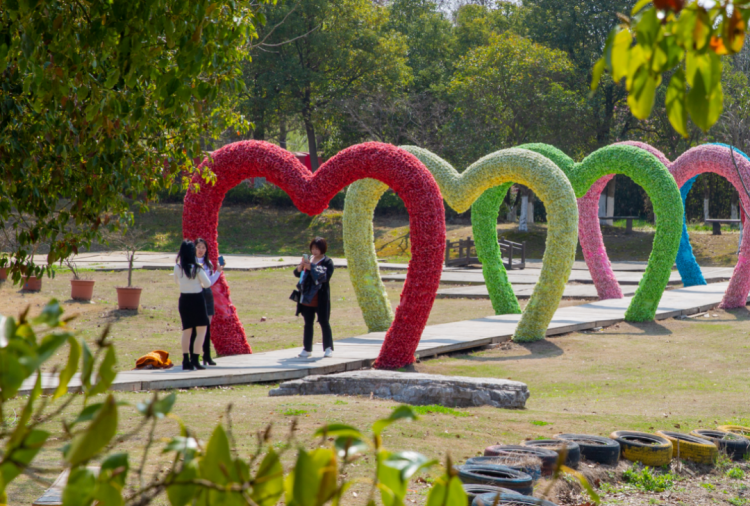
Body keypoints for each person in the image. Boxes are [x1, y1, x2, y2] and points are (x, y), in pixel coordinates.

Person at [294, 237, 334, 358]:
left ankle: (328, 348)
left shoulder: (327, 261)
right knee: (307, 323)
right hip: (307, 298)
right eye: (313, 248)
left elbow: (325, 276)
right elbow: (297, 274)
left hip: (320, 298)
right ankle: (307, 349)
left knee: (324, 322)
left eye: (317, 249)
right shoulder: (309, 260)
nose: (314, 251)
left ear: (323, 249)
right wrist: (300, 267)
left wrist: (312, 268)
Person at [174, 240, 211, 371]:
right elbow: (207, 284)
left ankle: (185, 360)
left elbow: (176, 281)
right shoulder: (197, 268)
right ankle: (195, 359)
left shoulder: (177, 267)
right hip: (197, 299)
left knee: (187, 330)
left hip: (184, 299)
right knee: (201, 330)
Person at [190, 238, 223, 366]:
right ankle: (194, 357)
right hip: (195, 294)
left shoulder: (208, 262)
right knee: (196, 328)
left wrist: (218, 272)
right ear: (194, 248)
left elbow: (210, 282)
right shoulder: (191, 262)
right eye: (198, 247)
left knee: (207, 327)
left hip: (207, 294)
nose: (201, 250)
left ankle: (207, 356)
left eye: (203, 247)